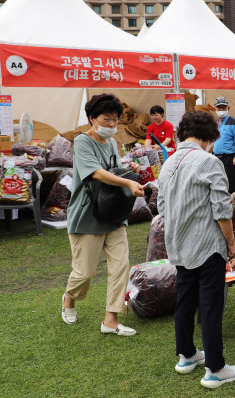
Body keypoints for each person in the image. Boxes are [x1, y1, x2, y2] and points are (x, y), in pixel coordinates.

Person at [158, 110, 235, 390]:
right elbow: (221, 209)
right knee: (210, 306)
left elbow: (161, 208)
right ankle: (216, 369)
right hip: (208, 247)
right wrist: (231, 244)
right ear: (210, 137)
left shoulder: (168, 162)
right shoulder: (209, 161)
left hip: (178, 244)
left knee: (185, 300)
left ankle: (186, 356)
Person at [62, 94, 144, 336]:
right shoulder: (82, 142)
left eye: (115, 120)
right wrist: (128, 184)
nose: (111, 124)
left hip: (113, 212)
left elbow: (112, 170)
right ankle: (69, 298)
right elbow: (96, 173)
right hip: (87, 215)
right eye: (106, 119)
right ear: (92, 119)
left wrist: (129, 169)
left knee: (120, 265)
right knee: (84, 273)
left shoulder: (112, 143)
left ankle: (111, 319)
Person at [212, 97, 235, 194]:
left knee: (232, 186)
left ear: (228, 108)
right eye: (219, 108)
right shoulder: (215, 123)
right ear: (215, 109)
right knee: (218, 184)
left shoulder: (232, 121)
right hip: (217, 158)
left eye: (224, 108)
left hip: (230, 158)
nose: (221, 110)